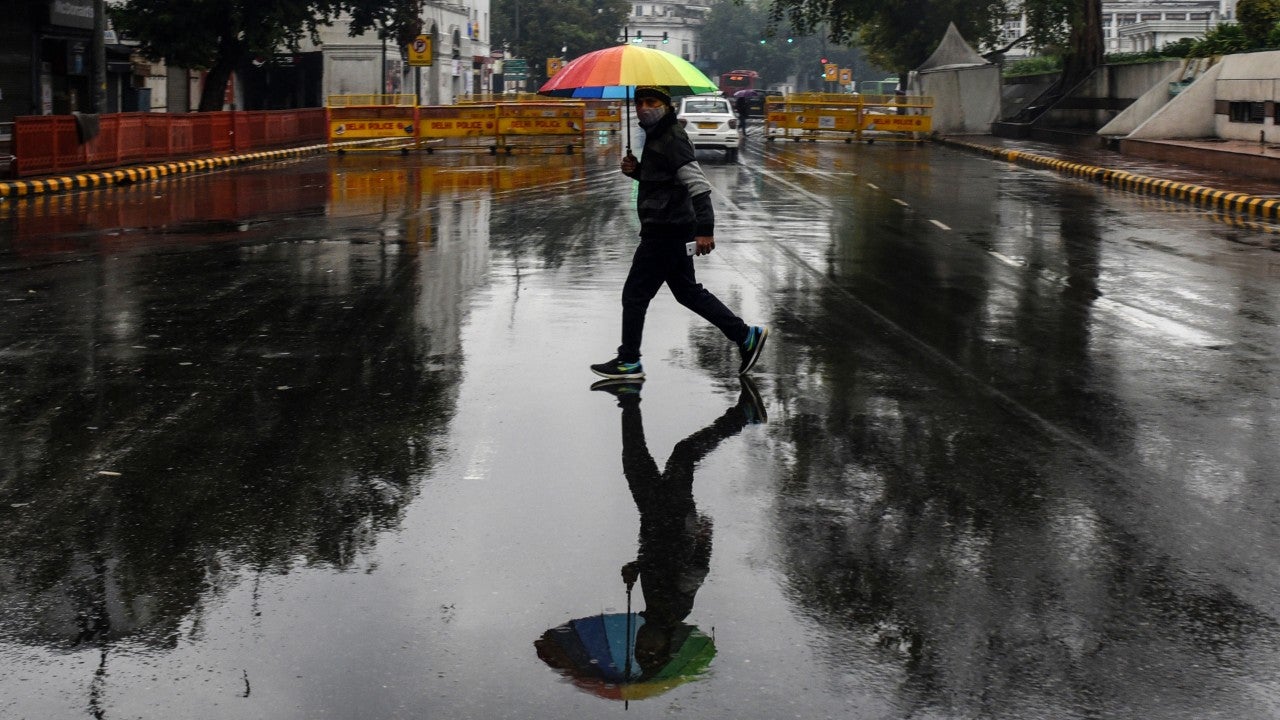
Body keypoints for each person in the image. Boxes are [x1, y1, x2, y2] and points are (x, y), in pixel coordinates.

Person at [590, 85, 768, 381]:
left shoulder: (672, 137)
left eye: (652, 102)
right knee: (687, 293)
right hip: (668, 226)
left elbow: (697, 184)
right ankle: (745, 335)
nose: (644, 107)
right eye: (640, 103)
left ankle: (629, 362)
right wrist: (636, 171)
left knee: (635, 295)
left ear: (667, 105)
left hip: (666, 230)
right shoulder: (658, 135)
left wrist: (705, 229)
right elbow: (664, 179)